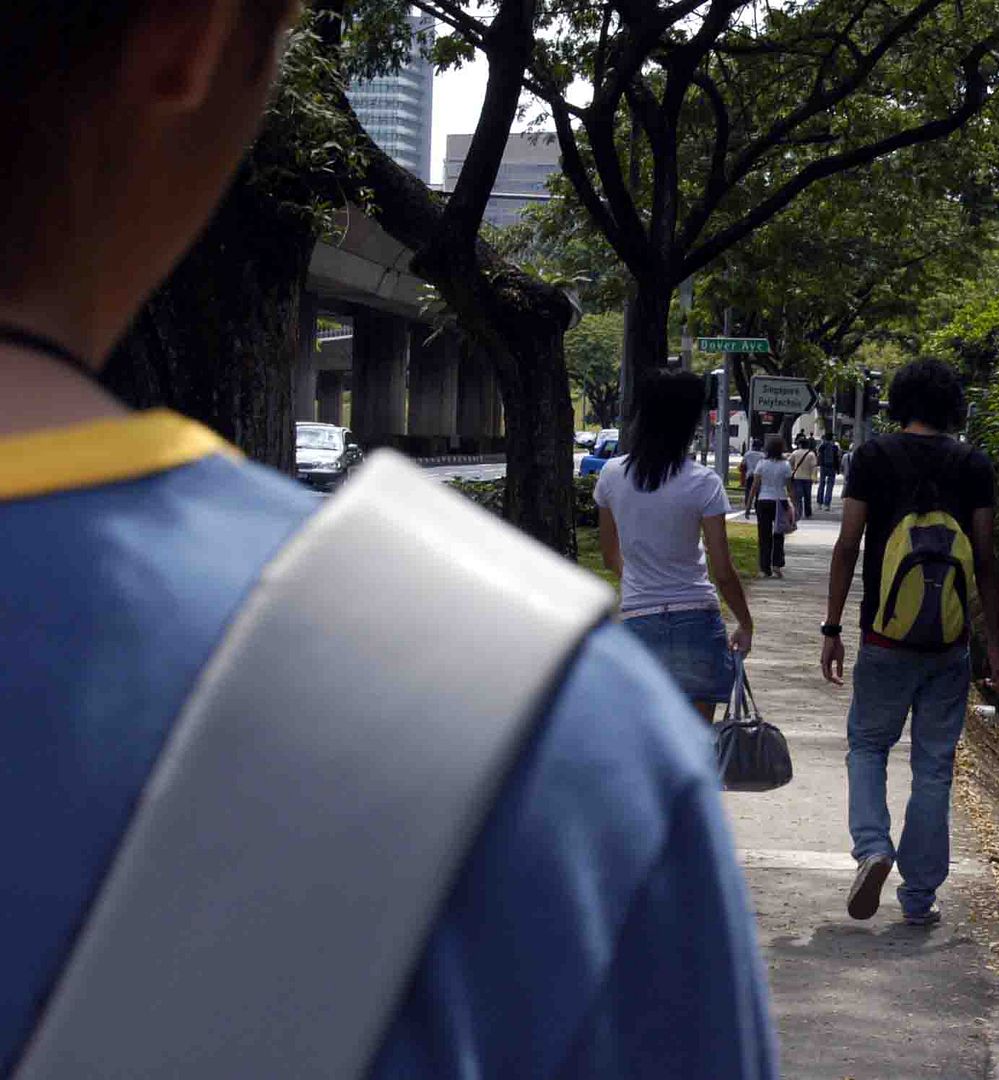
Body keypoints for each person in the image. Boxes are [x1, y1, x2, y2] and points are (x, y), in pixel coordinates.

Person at [0, 4, 776, 1077]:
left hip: (643, 614)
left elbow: (603, 532)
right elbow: (720, 565)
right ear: (190, 35)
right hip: (681, 626)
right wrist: (737, 616)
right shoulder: (549, 747)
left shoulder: (604, 528)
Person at [819, 359, 999, 927]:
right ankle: (919, 896)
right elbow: (985, 560)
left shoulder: (872, 457)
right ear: (953, 405)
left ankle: (873, 847)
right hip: (948, 644)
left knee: (867, 746)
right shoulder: (974, 464)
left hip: (883, 636)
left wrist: (832, 629)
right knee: (933, 767)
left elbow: (847, 545)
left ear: (899, 402)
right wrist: (996, 647)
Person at [596, 370, 754, 722]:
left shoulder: (611, 475)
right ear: (689, 423)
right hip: (696, 619)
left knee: (647, 738)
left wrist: (638, 578)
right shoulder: (703, 482)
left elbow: (609, 554)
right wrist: (745, 623)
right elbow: (723, 571)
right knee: (696, 740)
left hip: (639, 619)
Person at [746, 434, 793, 579]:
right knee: (779, 534)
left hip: (764, 500)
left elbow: (755, 486)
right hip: (780, 500)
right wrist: (794, 504)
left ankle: (764, 567)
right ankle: (777, 564)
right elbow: (789, 487)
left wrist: (748, 505)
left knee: (764, 535)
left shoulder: (762, 464)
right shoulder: (785, 465)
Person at [789, 436, 818, 518]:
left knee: (798, 497)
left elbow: (790, 463)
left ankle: (799, 512)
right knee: (807, 497)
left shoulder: (795, 453)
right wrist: (814, 477)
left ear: (800, 445)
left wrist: (792, 470)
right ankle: (808, 513)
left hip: (797, 477)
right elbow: (814, 466)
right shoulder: (811, 454)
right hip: (808, 478)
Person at [739, 438, 765, 518]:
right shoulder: (762, 455)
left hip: (749, 475)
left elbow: (743, 464)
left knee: (748, 491)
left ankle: (747, 505)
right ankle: (757, 507)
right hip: (759, 476)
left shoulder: (747, 454)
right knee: (758, 492)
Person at [816, 431, 842, 510]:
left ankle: (819, 503)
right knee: (830, 486)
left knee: (821, 484)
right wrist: (838, 469)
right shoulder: (835, 447)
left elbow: (819, 455)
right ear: (832, 438)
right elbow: (837, 458)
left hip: (823, 467)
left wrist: (819, 464)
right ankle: (827, 504)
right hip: (832, 467)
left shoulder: (822, 446)